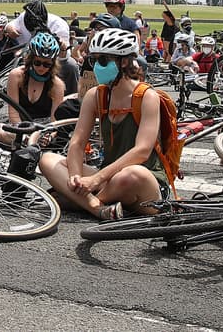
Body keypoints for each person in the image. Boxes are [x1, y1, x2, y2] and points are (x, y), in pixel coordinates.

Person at [40, 28, 169, 220]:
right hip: (107, 178)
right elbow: (77, 142)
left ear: (124, 61)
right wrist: (76, 177)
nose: (96, 67)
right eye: (93, 60)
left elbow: (142, 151)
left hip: (144, 183)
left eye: (102, 61)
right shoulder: (96, 95)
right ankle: (96, 207)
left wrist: (95, 180)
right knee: (48, 160)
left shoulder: (147, 96)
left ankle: (78, 200)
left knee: (132, 174)